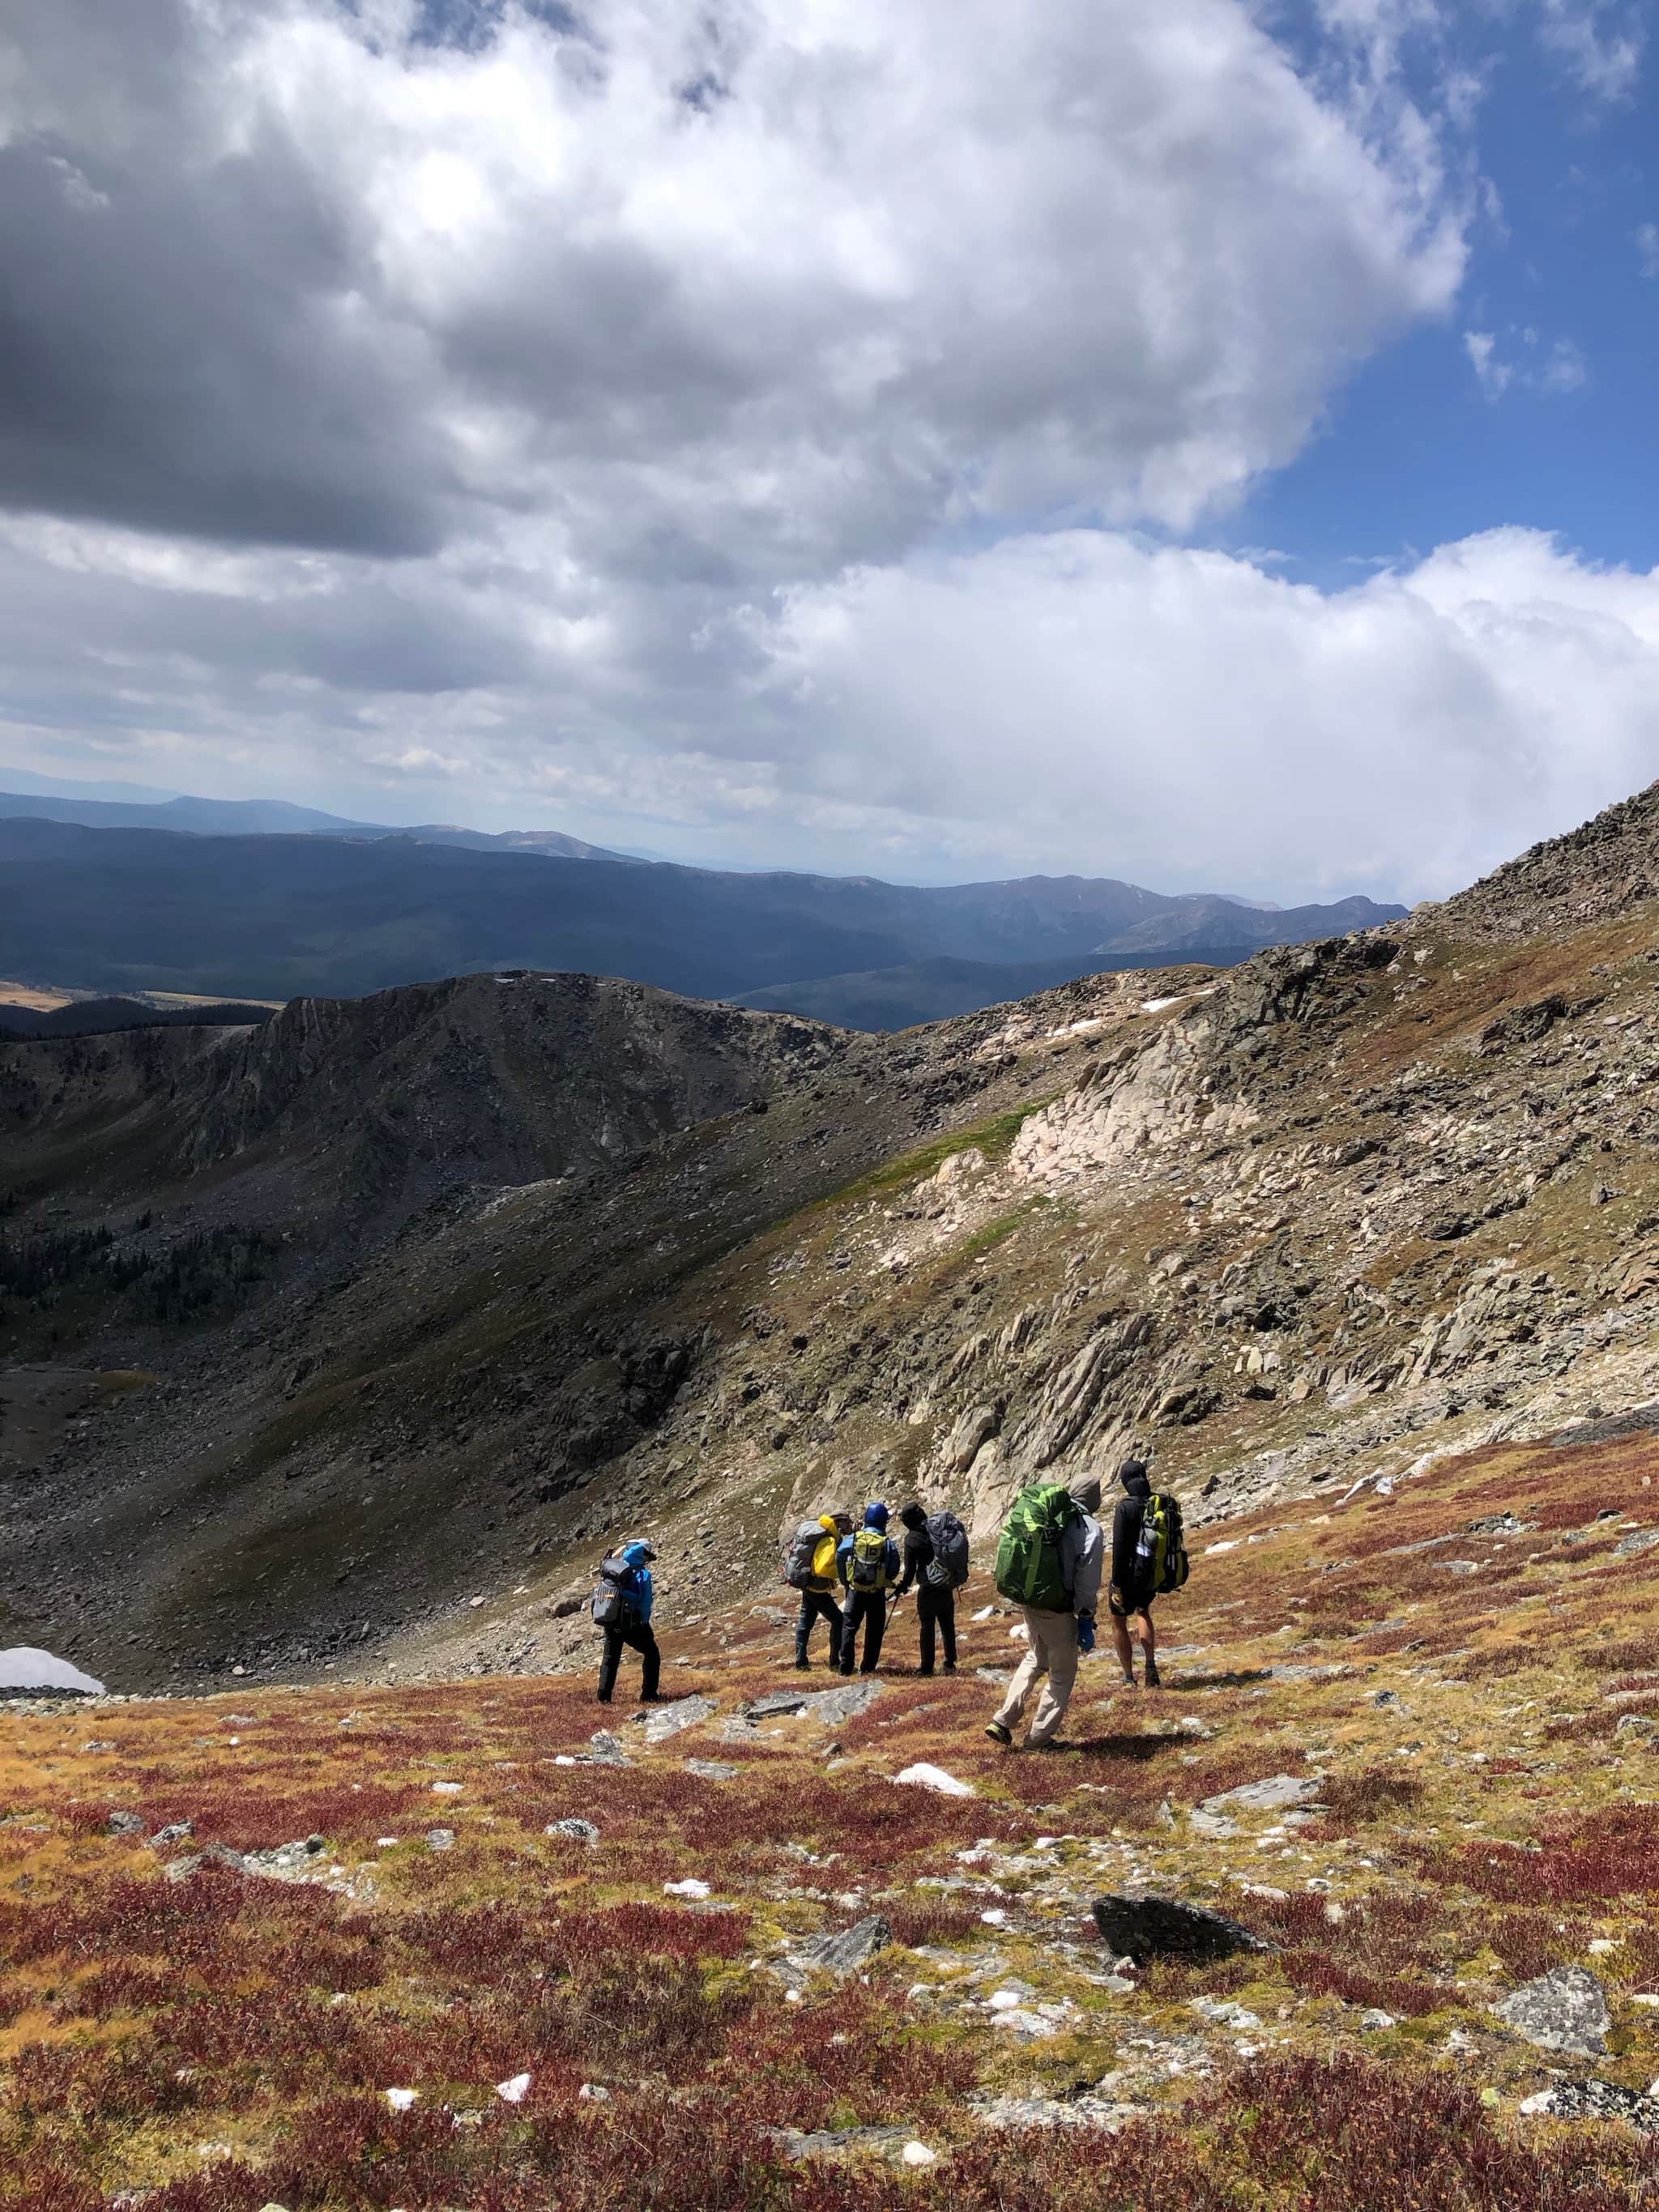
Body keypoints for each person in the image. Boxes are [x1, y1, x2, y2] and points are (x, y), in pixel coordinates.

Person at [985, 1475, 1103, 1749]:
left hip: (1030, 1599)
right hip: (1057, 1607)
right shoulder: (1089, 1528)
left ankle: (1003, 1720)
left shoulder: (1051, 1517)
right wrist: (1086, 1616)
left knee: (1036, 1658)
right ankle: (1039, 1738)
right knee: (1062, 1673)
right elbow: (1087, 1579)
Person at [1110, 1458, 1162, 1688]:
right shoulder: (1157, 1502)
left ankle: (1128, 1676)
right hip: (1150, 1571)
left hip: (1128, 1573)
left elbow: (1120, 1548)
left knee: (1118, 1622)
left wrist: (1118, 1583)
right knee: (1143, 1612)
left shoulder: (1125, 1506)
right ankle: (1150, 1665)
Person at [895, 1502, 957, 1676]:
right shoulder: (936, 1529)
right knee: (948, 1626)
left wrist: (903, 1587)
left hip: (928, 1587)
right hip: (945, 1584)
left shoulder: (911, 1539)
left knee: (927, 1627)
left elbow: (910, 1571)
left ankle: (926, 1667)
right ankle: (950, 1662)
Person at [595, 1540, 662, 1705]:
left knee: (610, 1658)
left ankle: (604, 1698)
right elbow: (645, 1602)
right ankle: (649, 1695)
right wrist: (644, 1622)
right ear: (643, 1555)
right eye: (647, 1556)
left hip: (611, 1620)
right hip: (632, 1623)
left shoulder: (616, 1568)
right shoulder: (643, 1575)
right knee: (652, 1654)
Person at [838, 1502, 900, 1677]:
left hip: (855, 1590)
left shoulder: (855, 1539)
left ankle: (845, 1666)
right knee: (874, 1629)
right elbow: (894, 1568)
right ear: (883, 1522)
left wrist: (846, 1581)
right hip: (876, 1593)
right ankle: (868, 1667)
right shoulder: (887, 1543)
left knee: (849, 1626)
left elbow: (840, 1554)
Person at [794, 1510, 853, 1669]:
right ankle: (834, 1659)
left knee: (806, 1622)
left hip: (808, 1584)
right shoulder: (829, 1540)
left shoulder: (822, 1534)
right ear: (839, 1522)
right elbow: (823, 1568)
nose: (850, 1524)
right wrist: (839, 1573)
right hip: (817, 1588)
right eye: (847, 1521)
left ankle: (801, 1660)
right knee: (838, 1620)